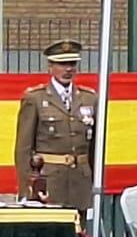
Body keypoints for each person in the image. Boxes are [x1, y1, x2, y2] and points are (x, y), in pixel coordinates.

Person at [13, 39, 96, 213]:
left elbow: (94, 147)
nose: (68, 69)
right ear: (50, 67)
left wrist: (93, 180)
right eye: (62, 64)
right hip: (48, 181)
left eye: (72, 64)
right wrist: (26, 187)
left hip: (79, 181)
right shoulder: (35, 98)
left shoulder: (89, 98)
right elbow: (24, 148)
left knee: (76, 235)